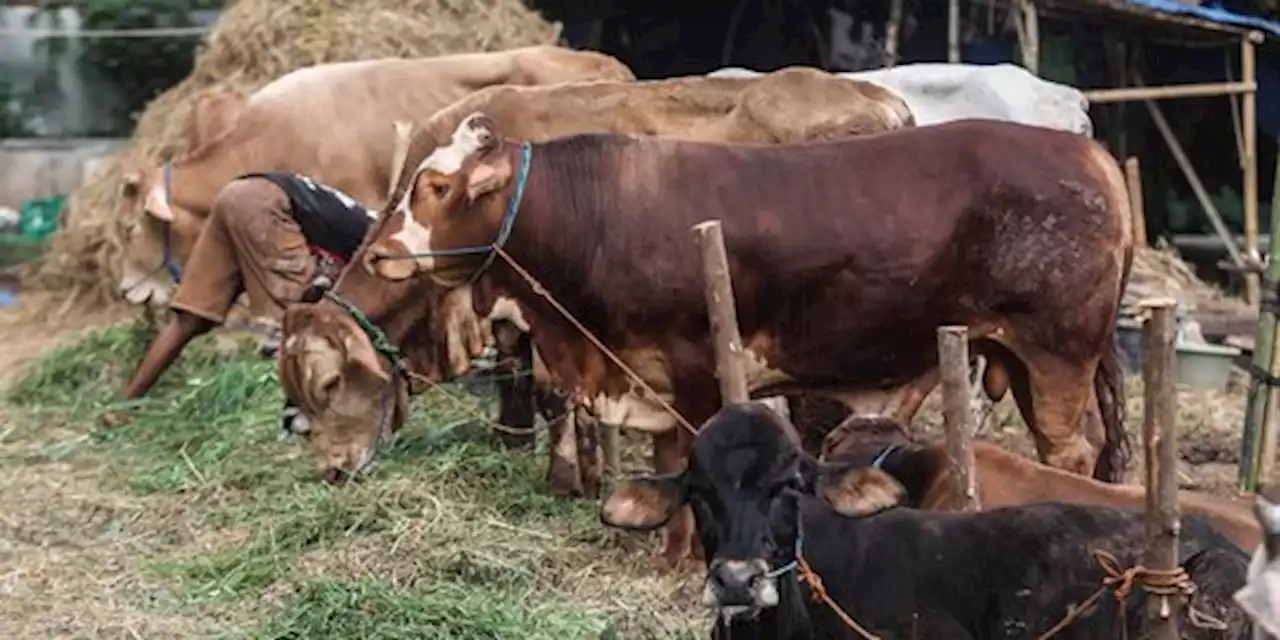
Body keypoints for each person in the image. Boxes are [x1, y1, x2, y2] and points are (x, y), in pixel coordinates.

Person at [105, 172, 377, 424]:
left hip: (237, 194)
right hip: (267, 205)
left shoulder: (363, 221)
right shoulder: (376, 240)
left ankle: (123, 408)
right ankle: (300, 415)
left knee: (189, 318)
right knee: (307, 314)